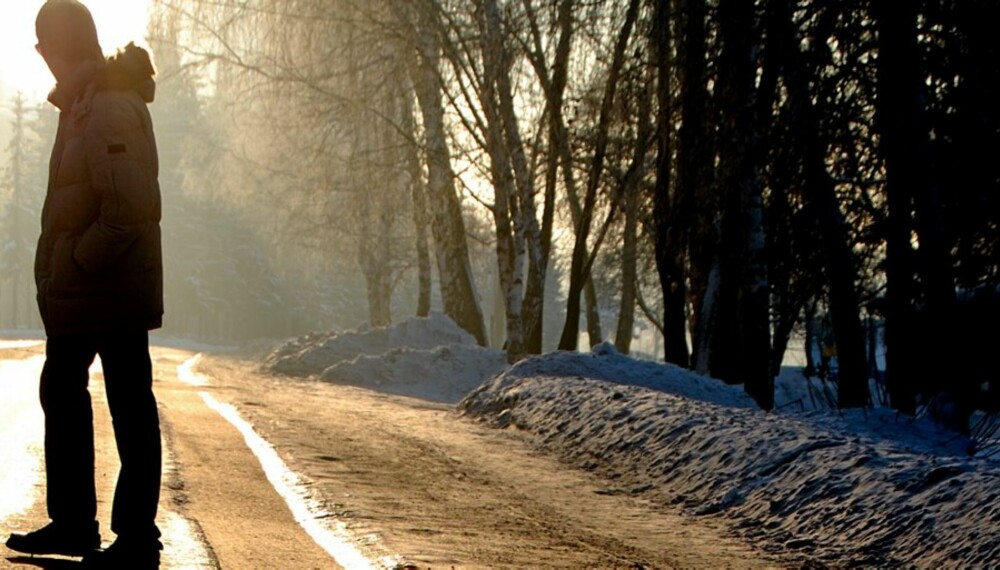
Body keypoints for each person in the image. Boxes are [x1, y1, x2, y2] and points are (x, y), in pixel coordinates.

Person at [5, 0, 165, 566]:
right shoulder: (85, 103)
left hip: (109, 288)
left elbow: (127, 208)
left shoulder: (107, 106)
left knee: (127, 403)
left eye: (43, 44)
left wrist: (75, 260)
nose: (41, 56)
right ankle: (75, 524)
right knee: (66, 393)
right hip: (91, 288)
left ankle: (135, 537)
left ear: (61, 46)